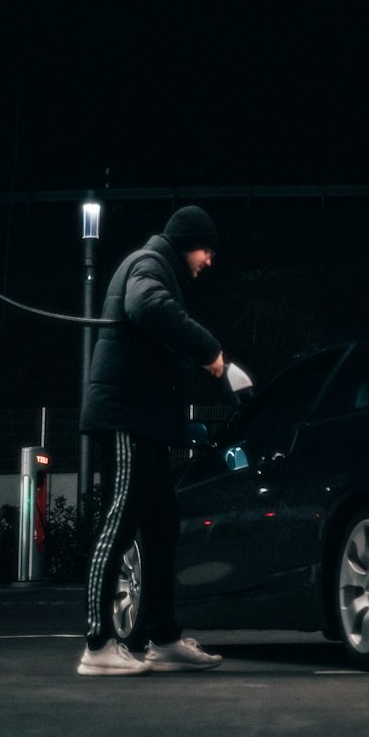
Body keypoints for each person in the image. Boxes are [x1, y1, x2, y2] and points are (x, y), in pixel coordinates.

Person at [77, 205, 226, 676]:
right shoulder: (150, 264)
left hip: (149, 425)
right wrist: (208, 349)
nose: (209, 260)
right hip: (127, 420)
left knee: (163, 529)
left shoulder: (160, 267)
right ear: (188, 243)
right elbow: (146, 306)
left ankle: (163, 639)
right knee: (118, 523)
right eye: (206, 250)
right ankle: (98, 645)